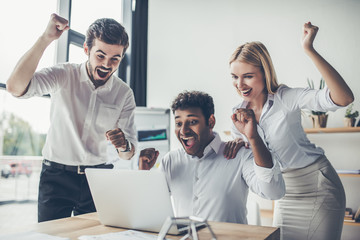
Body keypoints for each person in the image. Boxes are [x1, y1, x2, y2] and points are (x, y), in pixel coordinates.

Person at [226, 22, 354, 239]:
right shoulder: (237, 115)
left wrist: (309, 49)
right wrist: (241, 144)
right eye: (234, 77)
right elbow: (256, 163)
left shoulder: (286, 98)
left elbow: (344, 98)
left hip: (318, 186)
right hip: (284, 191)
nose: (240, 84)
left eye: (248, 76)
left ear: (264, 73)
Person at [6, 13, 137, 222]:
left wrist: (123, 145)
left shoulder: (124, 93)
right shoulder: (63, 75)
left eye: (115, 59)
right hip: (56, 177)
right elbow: (15, 87)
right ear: (86, 50)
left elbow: (128, 154)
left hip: (100, 179)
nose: (106, 64)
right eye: (100, 55)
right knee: (52, 237)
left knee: (95, 237)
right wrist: (45, 39)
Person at [138, 90, 285, 224]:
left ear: (211, 122)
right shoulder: (170, 161)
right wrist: (143, 172)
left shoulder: (238, 155)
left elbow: (273, 191)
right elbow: (149, 208)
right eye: (178, 123)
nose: (183, 130)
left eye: (193, 121)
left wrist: (253, 138)